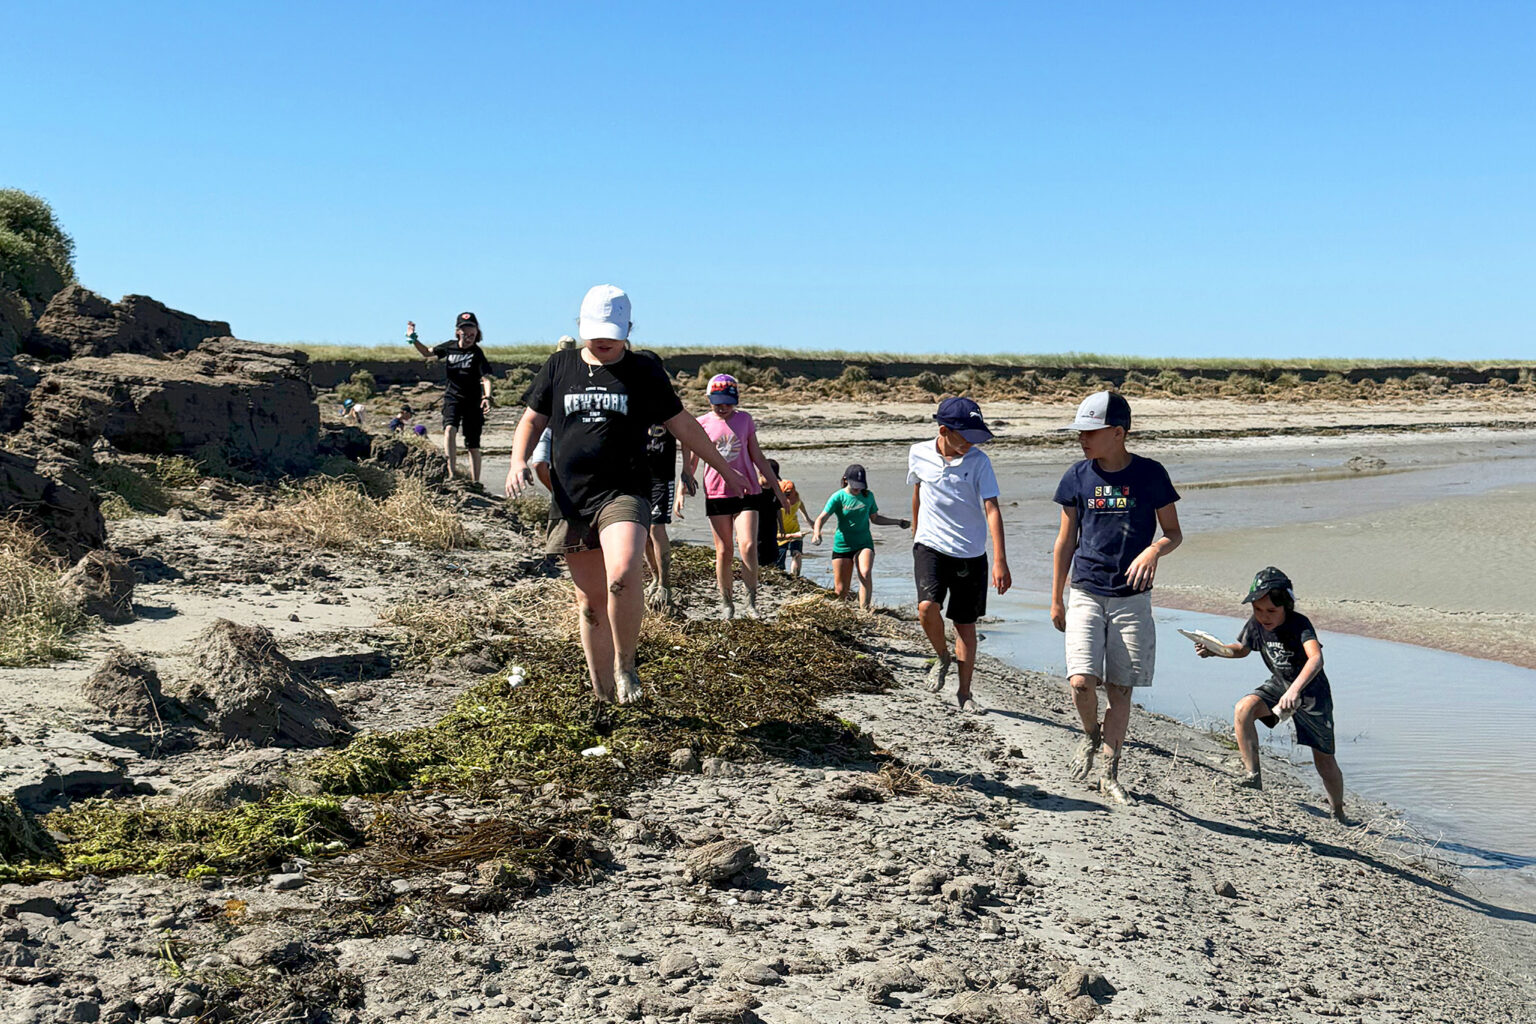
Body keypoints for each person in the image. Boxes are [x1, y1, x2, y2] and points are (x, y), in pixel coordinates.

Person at [504, 285, 749, 704]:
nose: (603, 340)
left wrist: (723, 466)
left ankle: (625, 664)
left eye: (612, 333)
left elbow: (684, 424)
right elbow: (532, 420)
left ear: (628, 330)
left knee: (620, 576)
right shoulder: (559, 366)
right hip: (571, 498)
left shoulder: (644, 371)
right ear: (580, 326)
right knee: (590, 602)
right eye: (596, 331)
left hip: (625, 491)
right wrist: (517, 461)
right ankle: (602, 694)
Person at [1051, 391, 1182, 804]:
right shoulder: (1076, 476)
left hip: (1132, 599)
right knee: (1081, 682)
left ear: (1119, 432)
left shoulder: (1151, 474)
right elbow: (1064, 541)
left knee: (1120, 690)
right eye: (1080, 432)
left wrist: (1153, 550)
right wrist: (1057, 597)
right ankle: (1090, 734)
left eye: (1091, 432)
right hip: (1086, 591)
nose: (1082, 439)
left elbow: (1173, 534)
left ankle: (1109, 769)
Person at [1195, 567, 1348, 823]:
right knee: (1244, 708)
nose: (1263, 616)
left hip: (1311, 694)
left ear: (1286, 606)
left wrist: (1295, 690)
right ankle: (1253, 777)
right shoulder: (1256, 624)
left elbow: (1316, 659)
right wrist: (1215, 650)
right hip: (1279, 685)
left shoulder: (1299, 624)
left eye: (1271, 611)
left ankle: (1338, 812)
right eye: (1257, 610)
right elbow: (1241, 650)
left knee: (1324, 762)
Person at [908, 397, 1012, 713]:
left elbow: (992, 509)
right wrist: (915, 535)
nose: (971, 444)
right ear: (944, 430)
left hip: (970, 552)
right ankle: (942, 656)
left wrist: (1000, 560)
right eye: (966, 437)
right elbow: (917, 494)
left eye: (976, 437)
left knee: (965, 625)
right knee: (927, 608)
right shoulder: (918, 453)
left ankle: (964, 695)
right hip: (930, 545)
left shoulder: (980, 462)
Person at [675, 374, 785, 619]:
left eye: (728, 402)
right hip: (717, 493)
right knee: (724, 551)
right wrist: (680, 492)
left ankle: (751, 602)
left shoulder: (745, 420)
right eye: (717, 402)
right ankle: (727, 603)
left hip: (748, 491)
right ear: (708, 399)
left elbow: (757, 455)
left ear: (736, 400)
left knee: (747, 545)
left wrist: (778, 489)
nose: (723, 407)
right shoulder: (701, 423)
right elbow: (691, 463)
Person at [636, 350, 696, 611]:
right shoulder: (629, 396)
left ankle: (665, 583)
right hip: (635, 474)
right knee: (640, 531)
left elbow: (686, 435)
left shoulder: (667, 400)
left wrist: (687, 470)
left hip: (661, 476)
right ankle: (654, 577)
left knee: (655, 528)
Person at [407, 313, 494, 483]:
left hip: (473, 401)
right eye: (465, 334)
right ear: (457, 332)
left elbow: (486, 378)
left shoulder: (477, 353)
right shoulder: (449, 347)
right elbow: (426, 353)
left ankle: (476, 482)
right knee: (449, 430)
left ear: (477, 334)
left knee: (473, 444)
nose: (468, 338)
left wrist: (487, 397)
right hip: (452, 397)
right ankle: (451, 473)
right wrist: (413, 338)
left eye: (472, 334)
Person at [811, 464, 908, 611]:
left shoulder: (868, 496)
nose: (857, 489)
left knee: (864, 573)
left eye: (860, 486)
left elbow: (875, 518)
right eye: (855, 485)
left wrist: (897, 522)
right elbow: (821, 518)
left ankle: (865, 610)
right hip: (842, 545)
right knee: (841, 590)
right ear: (845, 480)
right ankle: (842, 612)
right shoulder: (838, 497)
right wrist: (816, 533)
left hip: (864, 543)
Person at [775, 480, 811, 575]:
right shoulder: (776, 504)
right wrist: (793, 535)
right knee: (779, 562)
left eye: (792, 493)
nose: (790, 497)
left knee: (797, 554)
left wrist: (808, 519)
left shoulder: (796, 498)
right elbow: (774, 535)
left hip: (795, 529)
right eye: (787, 494)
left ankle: (795, 576)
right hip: (780, 533)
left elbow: (800, 504)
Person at [754, 458, 782, 570]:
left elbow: (778, 509)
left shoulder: (775, 490)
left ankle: (770, 569)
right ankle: (758, 570)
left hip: (771, 527)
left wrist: (782, 527)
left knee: (772, 551)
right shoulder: (755, 490)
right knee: (758, 551)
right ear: (761, 473)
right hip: (757, 529)